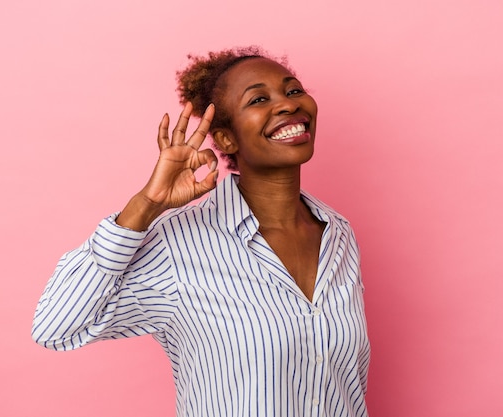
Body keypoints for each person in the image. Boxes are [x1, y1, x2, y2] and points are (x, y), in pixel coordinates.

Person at [32, 46, 370, 416]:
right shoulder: (178, 245)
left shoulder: (337, 233)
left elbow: (347, 387)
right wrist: (148, 203)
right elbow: (55, 327)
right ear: (226, 140)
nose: (288, 105)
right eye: (259, 98)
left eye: (293, 91)